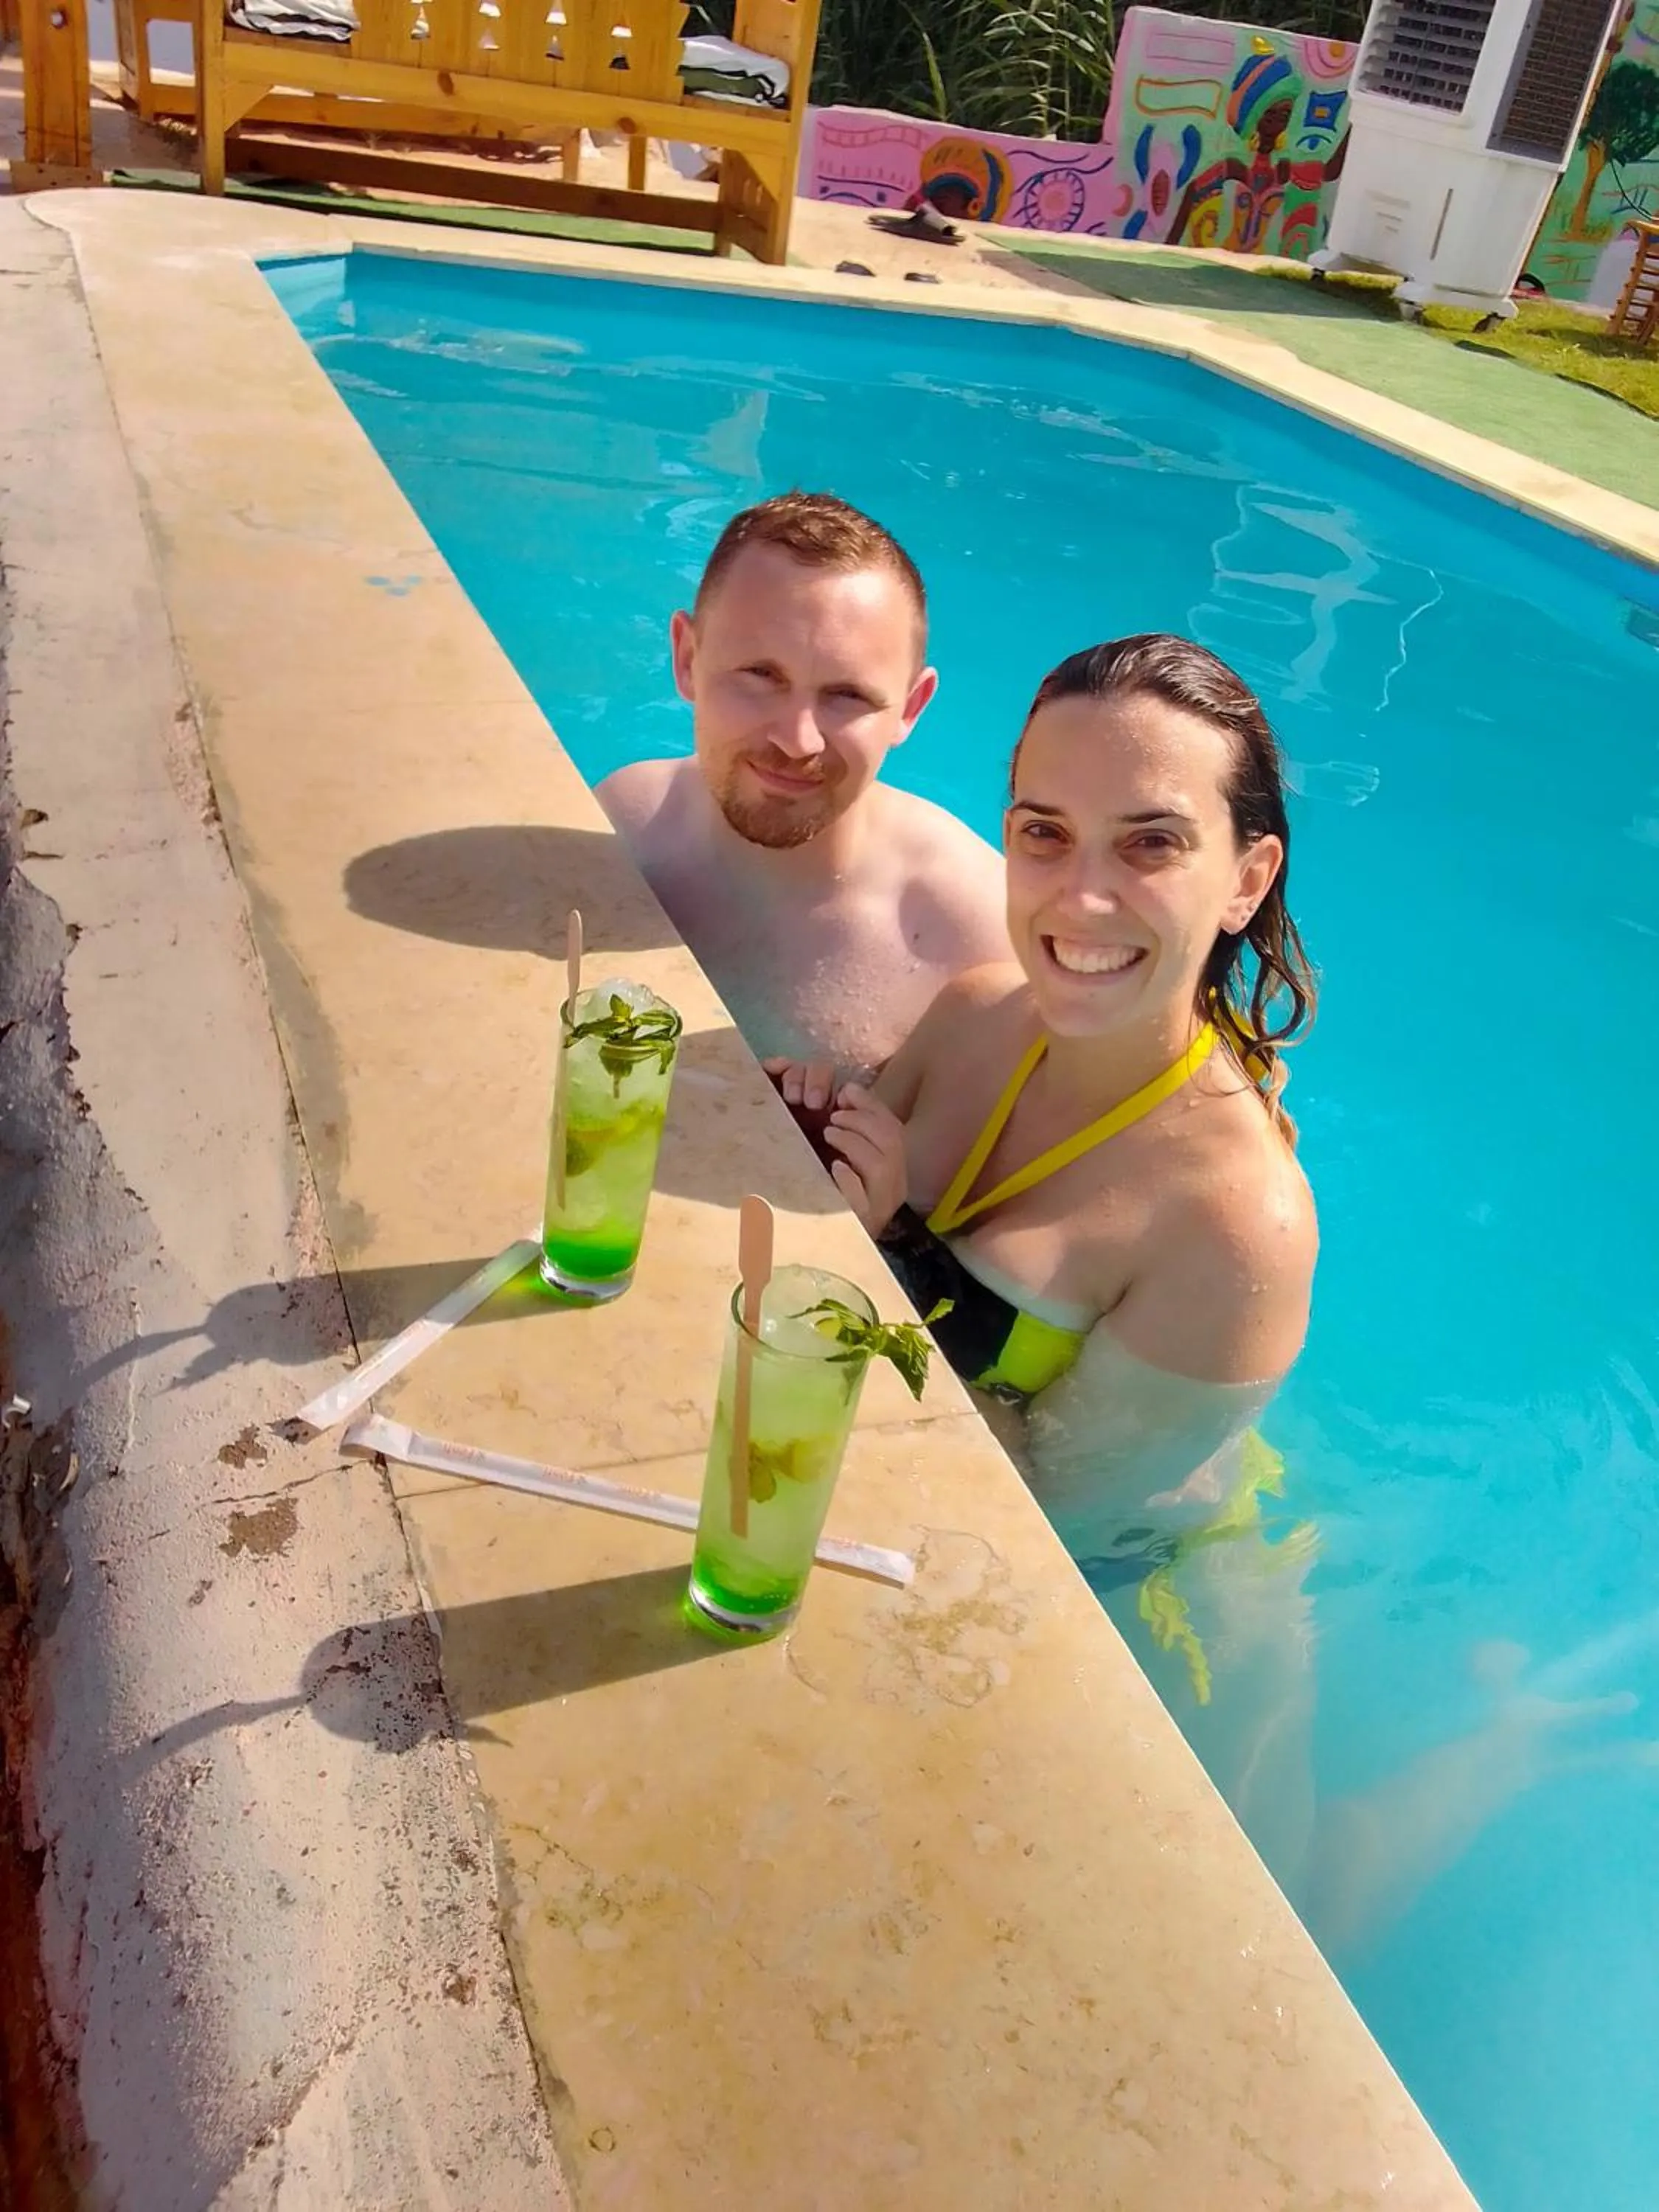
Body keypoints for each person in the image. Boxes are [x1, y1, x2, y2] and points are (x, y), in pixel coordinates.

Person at [780, 633, 1658, 1948]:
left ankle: (1499, 1748)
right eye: (1044, 832)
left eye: (1149, 844)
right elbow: (827, 1232)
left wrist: (899, 1242)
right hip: (934, 1464)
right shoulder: (972, 1011)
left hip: (1163, 1569)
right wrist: (801, 1131)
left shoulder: (1237, 1222)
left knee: (1299, 1912)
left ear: (1247, 879)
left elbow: (1048, 1518)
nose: (1077, 899)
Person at [597, 493, 1008, 1077]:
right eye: (762, 676)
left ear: (911, 709)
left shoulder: (975, 938)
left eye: (847, 696)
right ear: (688, 658)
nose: (798, 741)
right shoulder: (629, 823)